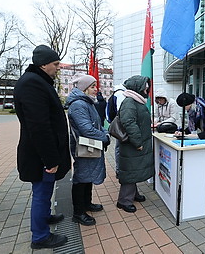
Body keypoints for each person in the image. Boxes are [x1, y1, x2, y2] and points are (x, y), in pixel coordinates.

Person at [14, 45, 71, 249]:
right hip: (40, 155)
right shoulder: (33, 84)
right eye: (55, 64)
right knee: (41, 192)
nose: (58, 68)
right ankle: (40, 237)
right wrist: (50, 159)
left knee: (45, 191)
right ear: (43, 64)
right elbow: (39, 126)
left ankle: (45, 217)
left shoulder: (37, 81)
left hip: (41, 152)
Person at [66, 73, 110, 226]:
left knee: (88, 175)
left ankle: (87, 204)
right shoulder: (79, 104)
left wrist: (105, 133)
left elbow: (96, 124)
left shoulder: (86, 102)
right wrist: (105, 137)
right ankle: (78, 212)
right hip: (84, 146)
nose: (95, 89)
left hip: (90, 145)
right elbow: (87, 130)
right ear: (84, 88)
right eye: (92, 86)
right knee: (82, 178)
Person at [116, 75, 154, 213]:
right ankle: (123, 201)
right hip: (133, 144)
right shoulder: (130, 102)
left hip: (136, 143)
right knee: (130, 171)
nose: (147, 88)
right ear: (137, 87)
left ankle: (133, 194)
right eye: (145, 86)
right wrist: (137, 142)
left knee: (134, 169)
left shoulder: (137, 101)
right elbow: (129, 123)